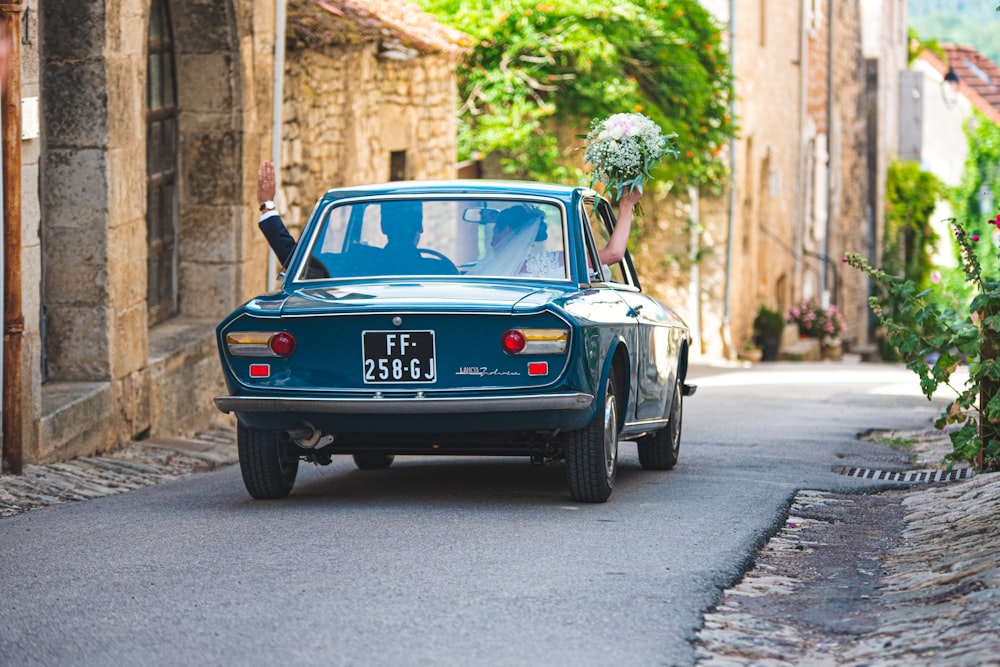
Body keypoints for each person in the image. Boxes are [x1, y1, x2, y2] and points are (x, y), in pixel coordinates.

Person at [255, 160, 423, 269]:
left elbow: (296, 263)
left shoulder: (357, 262)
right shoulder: (442, 271)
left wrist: (267, 206)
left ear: (383, 226)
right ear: (420, 227)